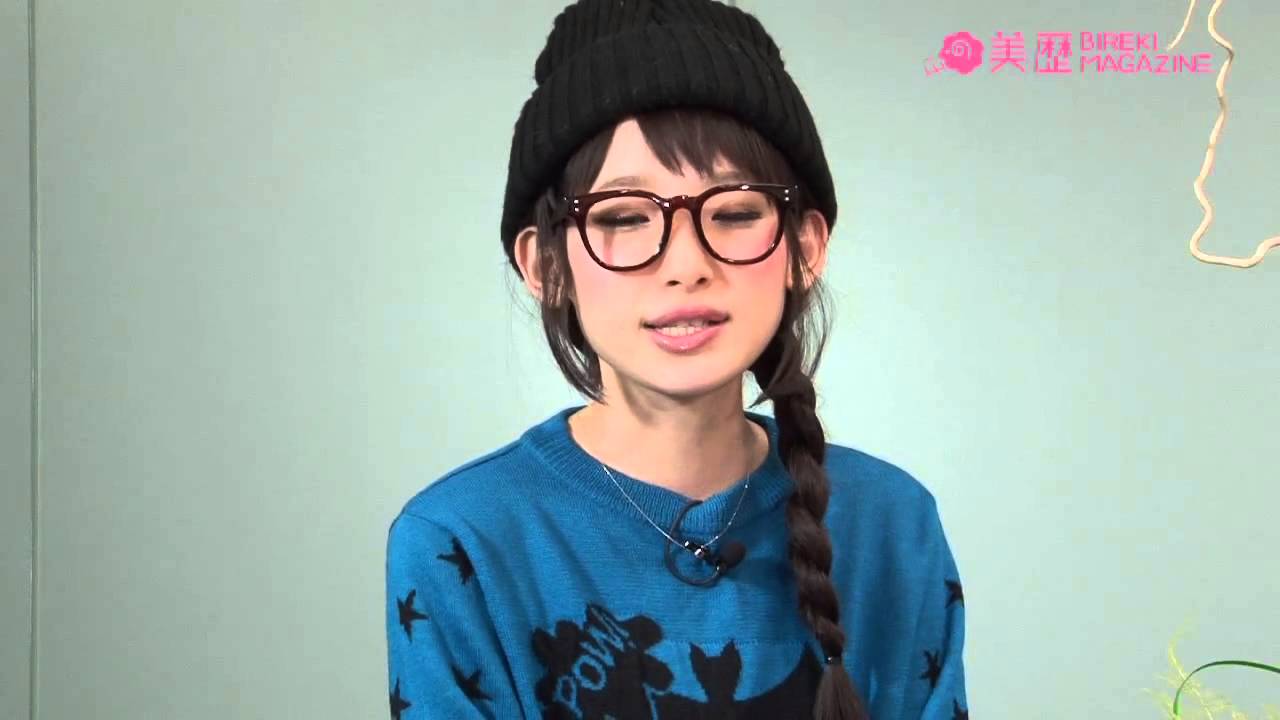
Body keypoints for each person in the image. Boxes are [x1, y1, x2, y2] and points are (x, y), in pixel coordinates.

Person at [385, 1, 968, 718]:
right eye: (624, 218)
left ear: (805, 248)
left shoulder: (892, 524)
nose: (686, 265)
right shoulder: (462, 540)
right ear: (546, 267)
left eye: (736, 212)